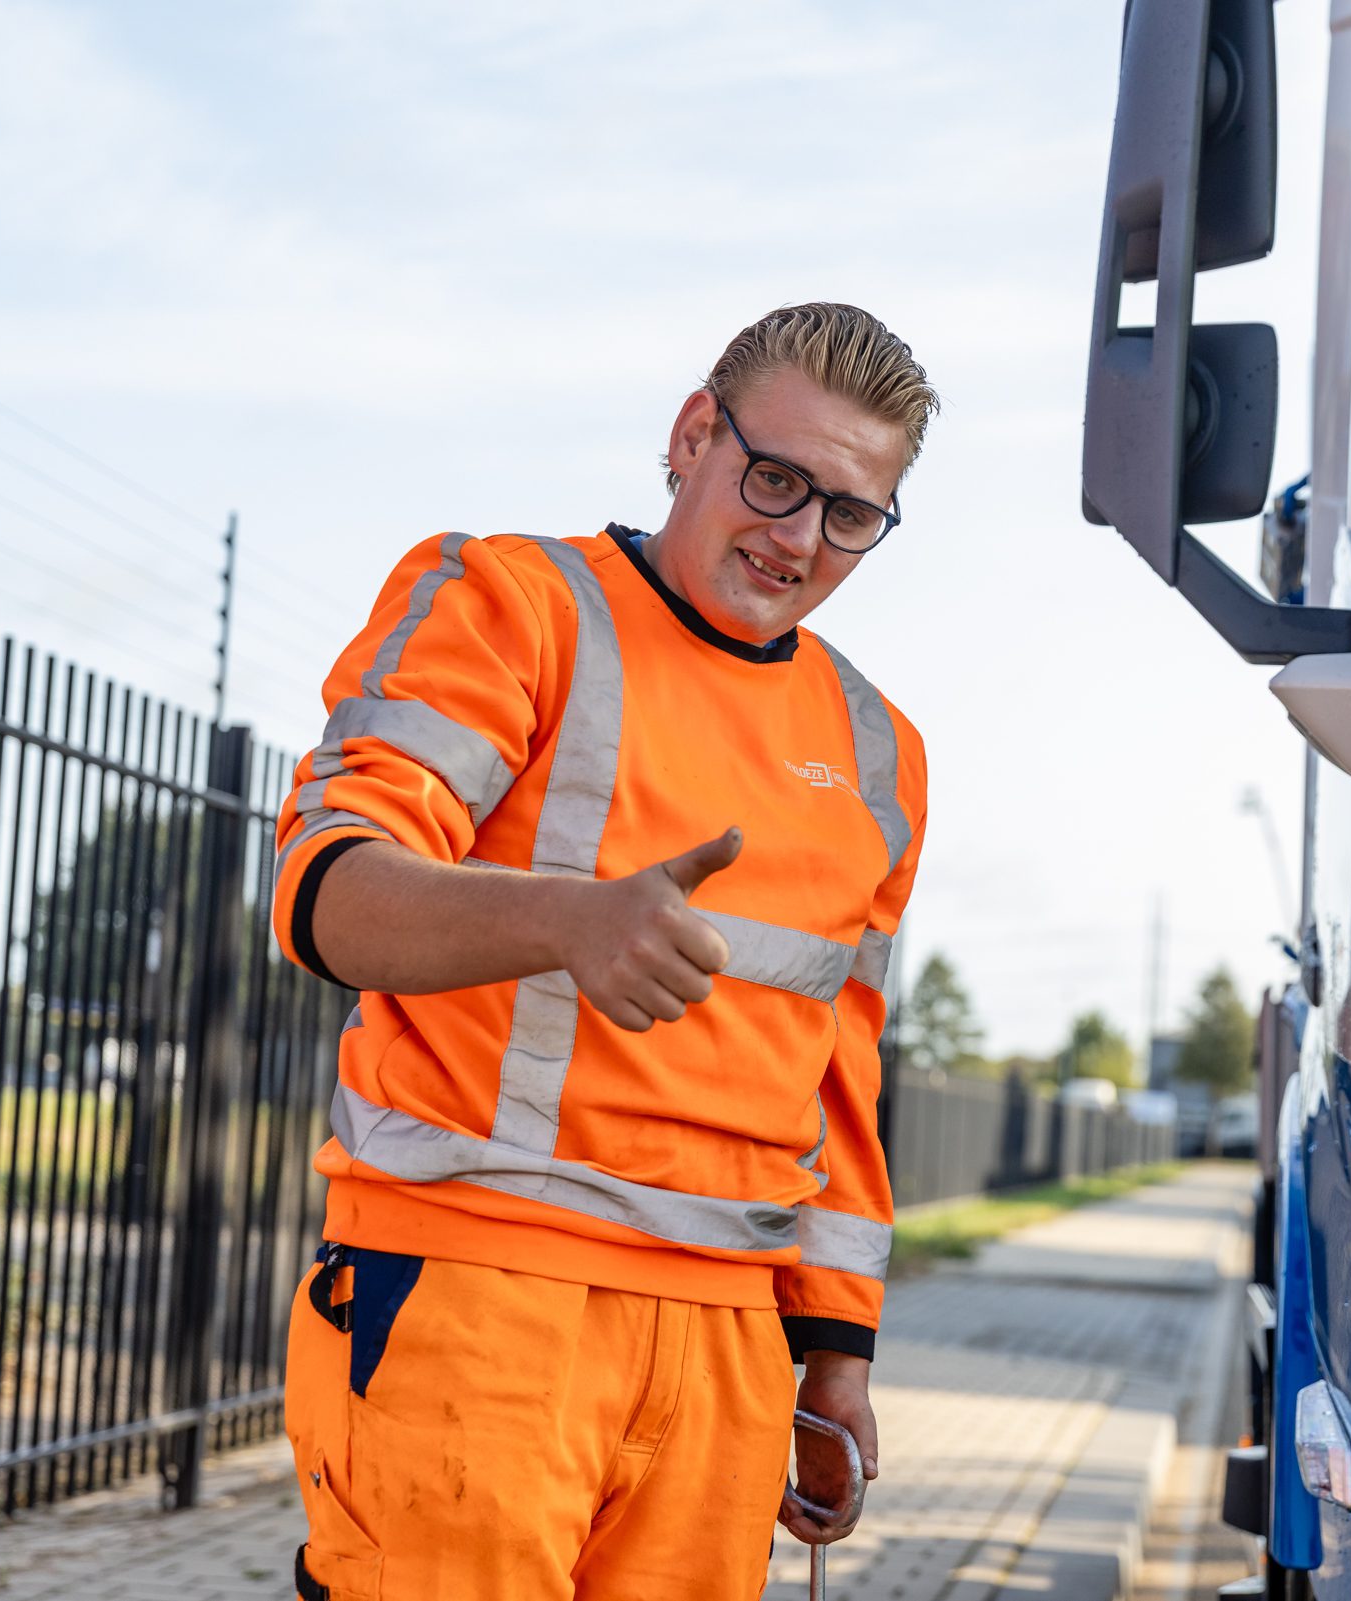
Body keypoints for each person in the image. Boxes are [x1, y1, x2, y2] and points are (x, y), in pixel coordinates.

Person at [271, 302, 936, 1600]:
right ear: (694, 435)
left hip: (729, 1342)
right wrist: (565, 921)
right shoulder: (510, 603)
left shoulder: (879, 749)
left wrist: (836, 1348)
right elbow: (325, 891)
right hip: (477, 1285)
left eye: (850, 513)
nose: (799, 536)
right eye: (777, 478)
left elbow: (840, 1064)